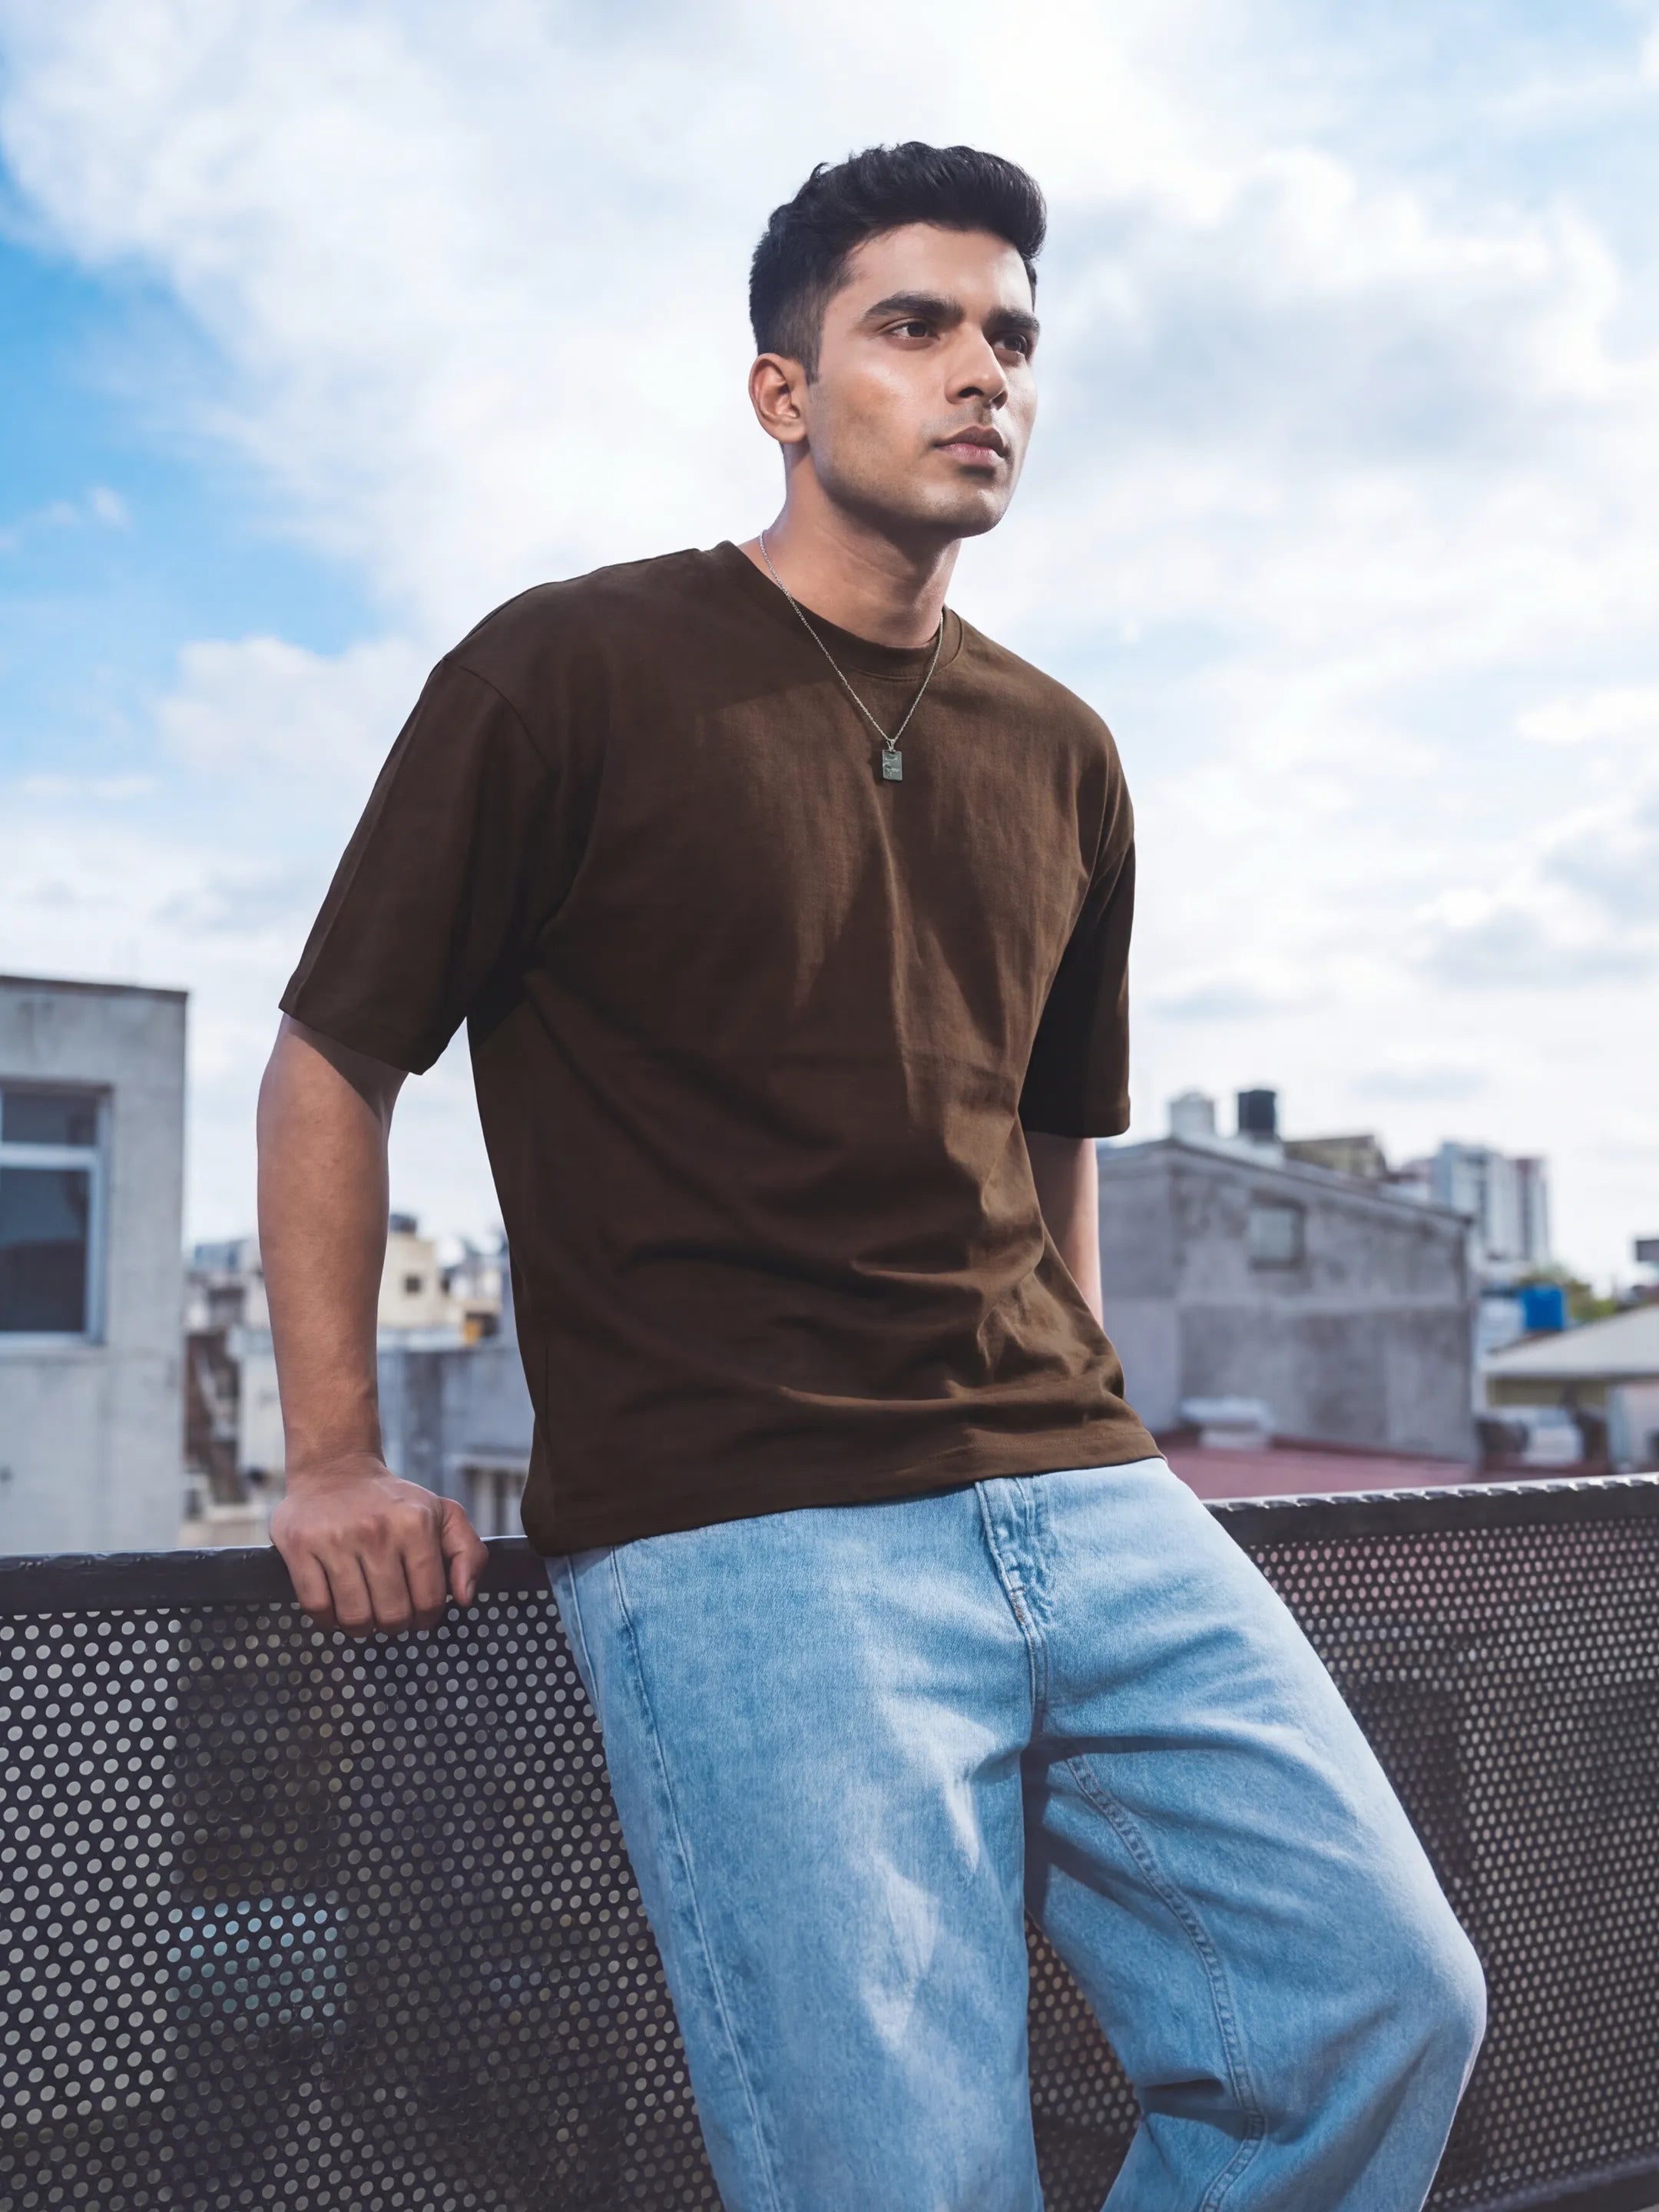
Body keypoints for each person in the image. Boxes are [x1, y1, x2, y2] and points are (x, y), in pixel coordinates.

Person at [262, 141, 1485, 2212]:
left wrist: (1099, 1416)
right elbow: (333, 1057)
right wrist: (328, 1455)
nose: (980, 370)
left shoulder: (1064, 749)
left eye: (1010, 334)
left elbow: (1051, 1136)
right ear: (785, 390)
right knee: (903, 2174)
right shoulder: (563, 673)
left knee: (1379, 2003)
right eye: (913, 326)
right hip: (751, 1530)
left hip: (1084, 1497)